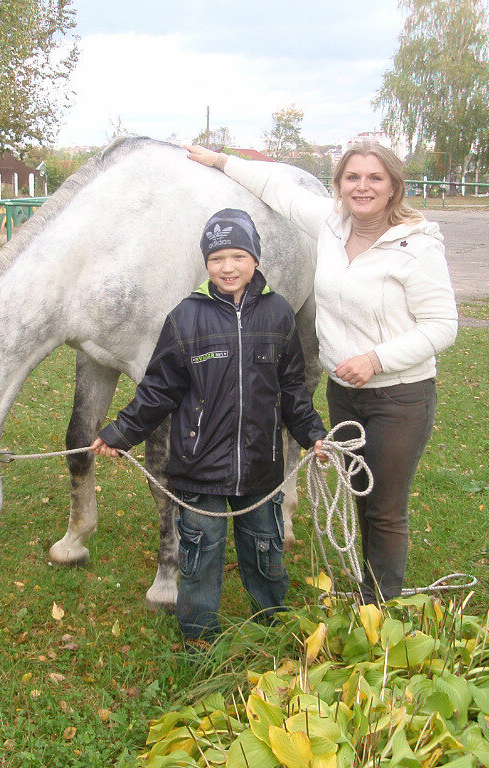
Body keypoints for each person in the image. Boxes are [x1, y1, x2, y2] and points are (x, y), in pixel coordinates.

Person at [186, 142, 457, 604]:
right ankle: (370, 590)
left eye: (375, 178)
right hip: (345, 393)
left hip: (399, 395)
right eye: (353, 177)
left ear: (393, 186)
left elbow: (443, 325)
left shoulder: (417, 246)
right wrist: (220, 161)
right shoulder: (331, 225)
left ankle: (379, 607)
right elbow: (277, 188)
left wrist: (376, 360)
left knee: (385, 509)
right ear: (339, 185)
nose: (363, 187)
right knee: (360, 495)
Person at [90, 208, 328, 641]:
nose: (228, 267)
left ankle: (272, 628)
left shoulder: (278, 314)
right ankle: (199, 638)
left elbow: (293, 387)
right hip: (199, 468)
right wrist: (121, 433)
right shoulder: (186, 317)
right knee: (200, 557)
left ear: (255, 258)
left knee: (265, 552)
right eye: (217, 258)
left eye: (238, 256)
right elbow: (158, 388)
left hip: (261, 467)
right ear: (206, 263)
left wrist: (313, 434)